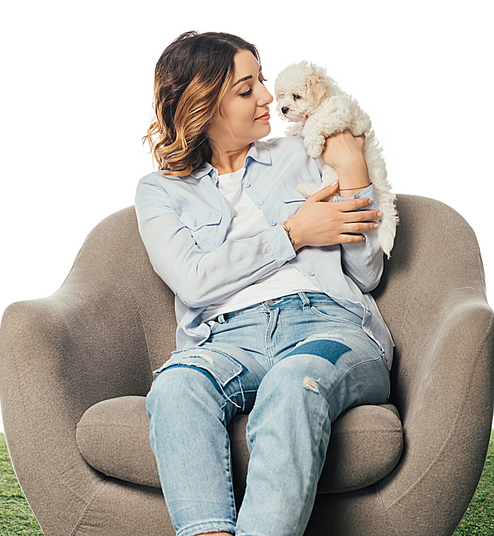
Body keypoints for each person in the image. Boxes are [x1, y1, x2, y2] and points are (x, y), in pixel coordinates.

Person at [135, 31, 393, 536]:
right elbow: (193, 280)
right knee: (176, 386)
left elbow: (367, 271)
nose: (269, 98)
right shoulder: (160, 193)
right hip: (227, 339)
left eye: (263, 80)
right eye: (246, 88)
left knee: (294, 383)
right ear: (203, 104)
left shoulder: (303, 152)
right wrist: (293, 233)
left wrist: (354, 168)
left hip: (327, 324)